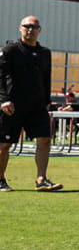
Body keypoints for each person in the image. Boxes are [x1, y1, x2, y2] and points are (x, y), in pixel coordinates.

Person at [0, 16, 60, 192]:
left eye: (34, 27)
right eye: (27, 26)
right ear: (20, 28)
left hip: (37, 105)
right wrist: (3, 100)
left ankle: (41, 180)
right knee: (4, 144)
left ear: (39, 30)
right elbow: (1, 76)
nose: (30, 29)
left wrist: (47, 101)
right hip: (12, 105)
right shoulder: (10, 50)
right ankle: (0, 179)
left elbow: (46, 78)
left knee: (45, 140)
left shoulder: (44, 53)